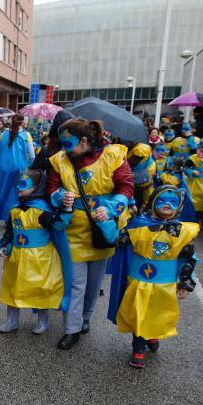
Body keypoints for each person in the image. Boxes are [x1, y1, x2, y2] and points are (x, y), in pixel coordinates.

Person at [47, 118, 134, 350]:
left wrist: (113, 208)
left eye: (69, 143)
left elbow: (126, 186)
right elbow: (52, 189)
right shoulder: (60, 160)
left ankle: (85, 317)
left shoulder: (112, 156)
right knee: (75, 284)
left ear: (84, 140)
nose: (64, 148)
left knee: (94, 283)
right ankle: (71, 328)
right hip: (73, 232)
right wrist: (59, 197)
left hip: (101, 230)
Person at [106, 185, 198, 368]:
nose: (167, 205)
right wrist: (105, 221)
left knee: (157, 313)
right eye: (162, 200)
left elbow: (188, 258)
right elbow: (118, 240)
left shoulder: (184, 231)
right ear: (152, 202)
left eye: (173, 202)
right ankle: (138, 348)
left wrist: (185, 284)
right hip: (139, 281)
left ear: (179, 206)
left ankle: (152, 335)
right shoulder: (137, 224)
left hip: (164, 284)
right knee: (138, 313)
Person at [0, 169, 72, 335]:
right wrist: (5, 244)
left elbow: (57, 225)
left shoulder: (41, 211)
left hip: (39, 258)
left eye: (23, 185)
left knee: (40, 289)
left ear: (36, 187)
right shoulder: (15, 209)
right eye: (18, 184)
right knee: (12, 287)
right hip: (17, 257)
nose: (18, 188)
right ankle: (12, 320)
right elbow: (10, 232)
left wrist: (66, 209)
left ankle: (43, 321)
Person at [0, 113, 36, 221]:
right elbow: (32, 155)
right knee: (19, 194)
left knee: (4, 193)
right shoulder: (26, 135)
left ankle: (6, 217)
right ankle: (16, 219)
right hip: (21, 170)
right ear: (22, 122)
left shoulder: (3, 134)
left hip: (4, 170)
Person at [126, 142, 156, 210]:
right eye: (134, 156)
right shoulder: (128, 155)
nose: (135, 158)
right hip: (127, 187)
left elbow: (145, 181)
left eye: (139, 157)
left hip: (140, 189)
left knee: (137, 205)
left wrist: (132, 176)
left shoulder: (151, 164)